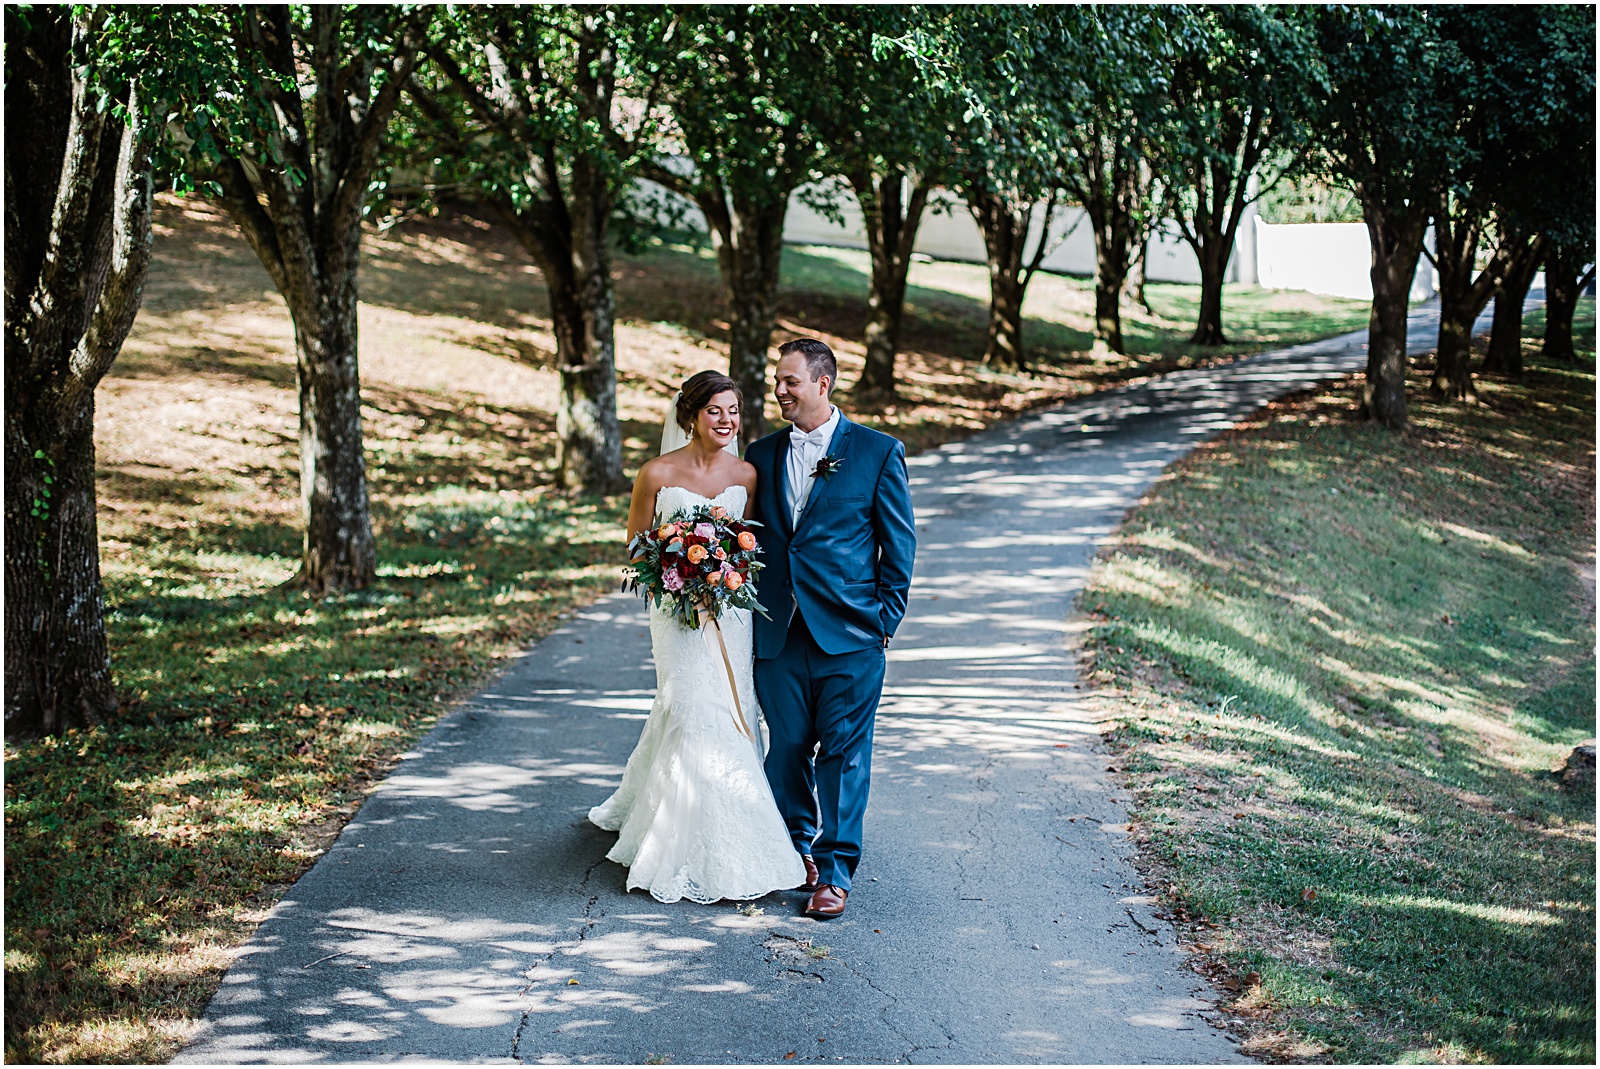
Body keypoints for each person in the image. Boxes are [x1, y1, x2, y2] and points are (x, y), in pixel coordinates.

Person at [588, 370, 806, 903]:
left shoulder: (748, 475)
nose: (727, 420)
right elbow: (636, 547)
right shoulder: (656, 473)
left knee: (731, 714)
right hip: (675, 614)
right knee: (689, 711)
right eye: (715, 411)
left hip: (730, 616)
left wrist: (723, 571)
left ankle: (731, 837)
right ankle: (675, 843)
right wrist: (680, 569)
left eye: (734, 411)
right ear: (691, 415)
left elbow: (748, 548)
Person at [744, 338, 916, 919]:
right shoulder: (760, 454)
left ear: (824, 384)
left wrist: (882, 622)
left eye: (790, 380)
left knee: (843, 754)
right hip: (777, 633)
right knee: (786, 748)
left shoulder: (876, 452)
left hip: (850, 635)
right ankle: (796, 852)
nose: (779, 389)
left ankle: (836, 870)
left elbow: (900, 546)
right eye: (777, 379)